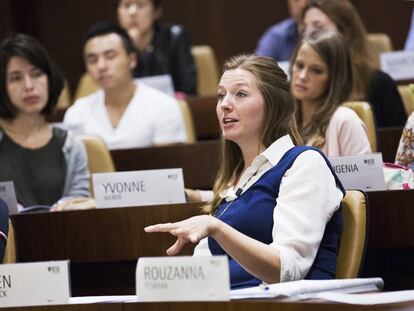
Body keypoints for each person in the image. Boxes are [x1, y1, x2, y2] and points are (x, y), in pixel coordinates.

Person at [145, 54, 345, 289]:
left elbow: (286, 270)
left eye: (240, 94)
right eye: (221, 95)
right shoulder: (234, 180)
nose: (225, 104)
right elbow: (203, 275)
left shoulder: (305, 164)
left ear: (274, 105)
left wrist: (216, 228)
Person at [64, 22, 187, 150]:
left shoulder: (164, 107)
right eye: (93, 60)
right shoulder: (77, 113)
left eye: (110, 56)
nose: (101, 66)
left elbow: (167, 166)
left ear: (132, 60)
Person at [0, 34, 90, 208]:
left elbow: (79, 208)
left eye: (37, 74)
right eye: (16, 78)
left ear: (50, 79)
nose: (29, 86)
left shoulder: (70, 145)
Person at [301, 0, 406, 128]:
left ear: (346, 32)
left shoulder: (379, 83)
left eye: (318, 27)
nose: (307, 35)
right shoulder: (301, 87)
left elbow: (397, 141)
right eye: (304, 28)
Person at [291, 30, 371, 156]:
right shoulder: (282, 120)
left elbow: (364, 176)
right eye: (299, 65)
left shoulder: (345, 121)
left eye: (316, 70)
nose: (302, 76)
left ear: (335, 78)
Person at [117, 0, 197, 95]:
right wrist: (129, 47)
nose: (132, 12)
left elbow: (188, 87)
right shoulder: (112, 45)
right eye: (126, 6)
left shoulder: (173, 37)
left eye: (140, 5)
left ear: (156, 11)